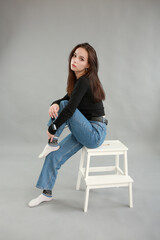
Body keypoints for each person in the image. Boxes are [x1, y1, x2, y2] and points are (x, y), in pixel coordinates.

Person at [28, 43, 108, 207]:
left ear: (88, 65)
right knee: (54, 156)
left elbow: (69, 108)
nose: (75, 60)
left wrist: (53, 128)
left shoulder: (85, 81)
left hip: (95, 132)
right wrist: (53, 104)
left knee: (65, 107)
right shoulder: (79, 81)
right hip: (85, 128)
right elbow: (66, 99)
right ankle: (46, 193)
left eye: (81, 59)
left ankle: (52, 141)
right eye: (74, 55)